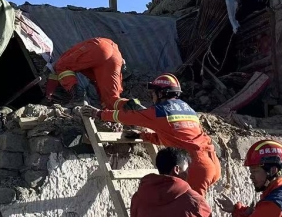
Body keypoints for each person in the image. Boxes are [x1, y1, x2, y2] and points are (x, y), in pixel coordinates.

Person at [80, 73, 221, 196]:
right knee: (188, 210)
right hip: (212, 163)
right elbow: (174, 137)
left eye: (153, 93)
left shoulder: (160, 111)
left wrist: (99, 113)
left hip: (195, 166)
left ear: (161, 93)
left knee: (190, 215)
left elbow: (127, 117)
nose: (152, 96)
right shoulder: (188, 109)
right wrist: (143, 136)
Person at [44, 37, 127, 108]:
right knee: (111, 99)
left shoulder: (63, 59)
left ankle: (78, 97)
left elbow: (55, 70)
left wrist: (49, 94)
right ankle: (134, 109)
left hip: (99, 47)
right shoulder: (84, 64)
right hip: (116, 55)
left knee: (61, 66)